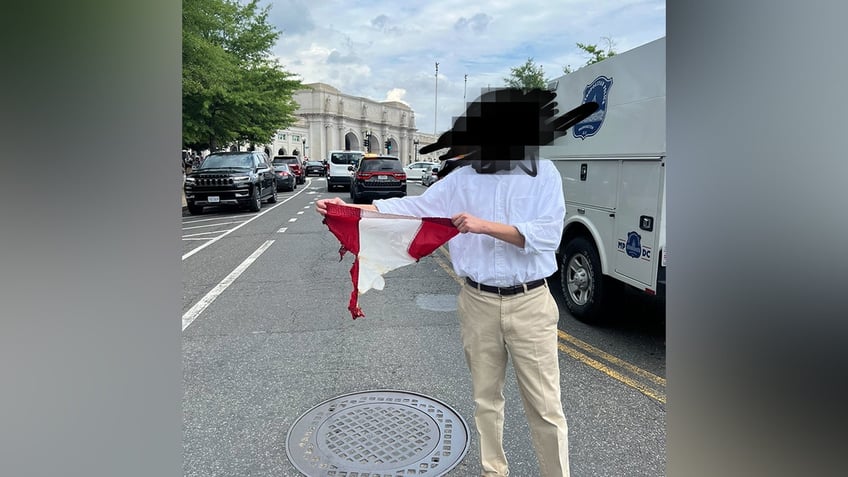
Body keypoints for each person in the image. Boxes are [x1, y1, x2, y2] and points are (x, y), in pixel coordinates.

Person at [317, 88, 597, 477]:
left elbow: (547, 236)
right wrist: (351, 209)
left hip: (530, 303)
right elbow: (412, 209)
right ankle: (493, 470)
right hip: (477, 301)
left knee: (546, 407)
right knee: (486, 400)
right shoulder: (463, 179)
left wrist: (483, 226)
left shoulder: (542, 175)